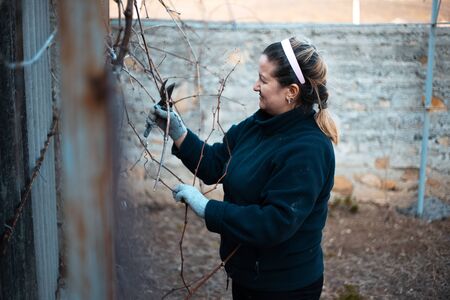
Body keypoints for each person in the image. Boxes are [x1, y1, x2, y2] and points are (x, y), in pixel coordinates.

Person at [147, 37, 338, 300]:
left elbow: (275, 222)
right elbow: (215, 164)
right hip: (248, 276)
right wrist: (177, 131)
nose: (255, 86)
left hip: (284, 287)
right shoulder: (259, 125)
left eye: (264, 80)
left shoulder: (308, 149)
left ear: (291, 91)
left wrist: (207, 209)